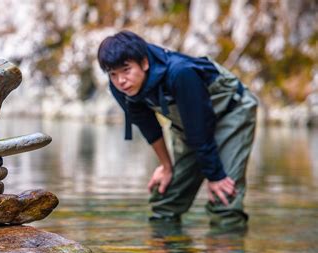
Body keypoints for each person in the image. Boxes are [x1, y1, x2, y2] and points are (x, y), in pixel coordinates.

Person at [97, 30, 258, 228]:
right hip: (190, 125)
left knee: (224, 200)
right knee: (165, 200)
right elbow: (149, 127)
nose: (121, 80)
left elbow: (199, 129)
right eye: (113, 74)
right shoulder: (121, 87)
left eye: (126, 70)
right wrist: (166, 166)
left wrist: (215, 175)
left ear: (145, 63)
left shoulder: (181, 72)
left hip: (232, 112)